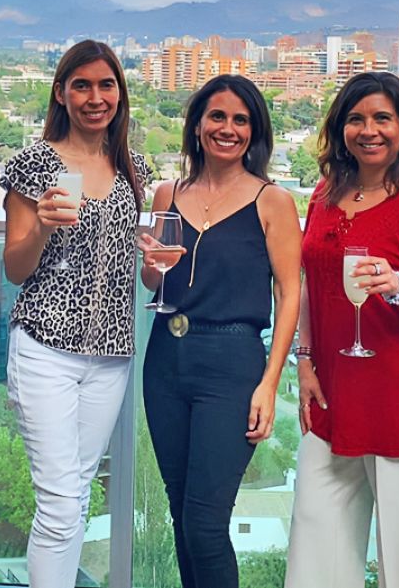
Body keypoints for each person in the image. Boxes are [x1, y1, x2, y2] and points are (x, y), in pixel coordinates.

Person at [285, 72, 399, 588]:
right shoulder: (323, 195)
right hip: (333, 392)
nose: (369, 130)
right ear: (341, 129)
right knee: (314, 546)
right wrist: (305, 359)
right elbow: (312, 281)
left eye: (382, 117)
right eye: (356, 119)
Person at [140, 74, 302, 588]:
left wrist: (270, 383)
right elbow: (155, 278)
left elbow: (289, 294)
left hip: (231, 364)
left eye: (240, 119)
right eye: (217, 116)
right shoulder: (170, 191)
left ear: (254, 132)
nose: (227, 128)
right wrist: (152, 265)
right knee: (181, 514)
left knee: (206, 524)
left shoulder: (271, 200)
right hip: (165, 357)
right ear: (197, 124)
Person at [0, 40, 149, 588]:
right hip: (45, 348)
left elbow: (130, 256)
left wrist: (152, 258)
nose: (94, 97)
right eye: (81, 85)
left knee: (78, 496)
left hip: (110, 355)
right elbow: (15, 268)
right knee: (61, 502)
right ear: (61, 93)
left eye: (106, 85)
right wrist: (41, 224)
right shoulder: (34, 164)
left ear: (120, 92)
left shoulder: (129, 163)